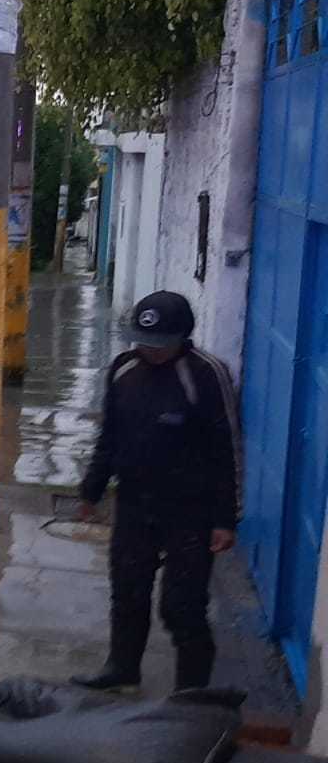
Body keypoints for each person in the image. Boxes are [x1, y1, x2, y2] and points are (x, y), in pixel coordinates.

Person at [74, 291, 240, 693]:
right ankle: (122, 667)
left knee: (182, 608)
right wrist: (91, 490)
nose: (148, 350)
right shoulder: (123, 369)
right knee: (128, 592)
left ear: (182, 337)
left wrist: (225, 520)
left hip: (190, 512)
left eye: (159, 344)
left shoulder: (207, 374)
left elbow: (228, 450)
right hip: (134, 504)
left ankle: (192, 693)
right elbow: (108, 436)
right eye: (142, 341)